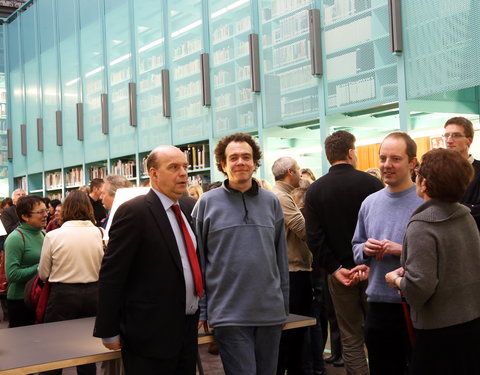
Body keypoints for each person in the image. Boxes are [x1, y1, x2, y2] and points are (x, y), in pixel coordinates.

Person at [94, 145, 202, 375]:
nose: (183, 173)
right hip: (149, 334)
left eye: (185, 166)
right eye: (173, 167)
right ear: (153, 174)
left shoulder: (187, 206)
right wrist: (109, 330)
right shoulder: (134, 211)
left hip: (187, 328)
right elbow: (112, 274)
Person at [192, 133, 289, 375]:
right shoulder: (206, 203)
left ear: (255, 162)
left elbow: (280, 258)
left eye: (246, 157)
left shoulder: (271, 202)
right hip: (228, 314)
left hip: (269, 313)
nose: (240, 162)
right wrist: (203, 310)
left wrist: (283, 305)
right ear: (223, 165)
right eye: (233, 158)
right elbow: (198, 261)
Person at [385, 148, 480, 375]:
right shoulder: (465, 215)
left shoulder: (422, 225)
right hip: (472, 321)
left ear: (424, 183)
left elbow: (418, 289)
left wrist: (396, 280)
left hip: (437, 330)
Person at [304, 130, 383, 375]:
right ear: (350, 153)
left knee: (350, 336)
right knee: (379, 332)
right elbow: (381, 227)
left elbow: (314, 238)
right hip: (374, 270)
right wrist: (368, 263)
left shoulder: (315, 191)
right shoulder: (372, 184)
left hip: (339, 276)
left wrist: (336, 269)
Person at [352, 132, 423, 375]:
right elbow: (356, 248)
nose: (386, 165)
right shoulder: (369, 203)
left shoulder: (424, 203)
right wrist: (365, 249)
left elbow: (439, 255)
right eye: (383, 158)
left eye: (395, 159)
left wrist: (400, 250)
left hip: (415, 306)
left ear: (412, 163)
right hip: (378, 306)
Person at [38, 191, 105, 375]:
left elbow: (43, 273)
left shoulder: (53, 236)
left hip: (63, 295)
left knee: (54, 348)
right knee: (86, 350)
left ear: (65, 209)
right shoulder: (100, 233)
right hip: (94, 293)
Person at [272, 157, 313, 375]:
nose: (300, 174)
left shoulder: (279, 196)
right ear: (290, 172)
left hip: (293, 270)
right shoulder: (281, 198)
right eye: (298, 170)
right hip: (293, 271)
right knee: (294, 332)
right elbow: (303, 229)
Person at [4, 195, 47, 327]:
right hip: (20, 301)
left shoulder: (43, 234)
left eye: (45, 210)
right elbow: (12, 274)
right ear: (25, 216)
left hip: (39, 298)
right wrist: (42, 266)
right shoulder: (16, 238)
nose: (46, 215)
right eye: (40, 212)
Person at [442, 116, 480, 229]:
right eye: (446, 135)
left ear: (469, 140)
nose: (449, 140)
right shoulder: (439, 171)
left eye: (456, 135)